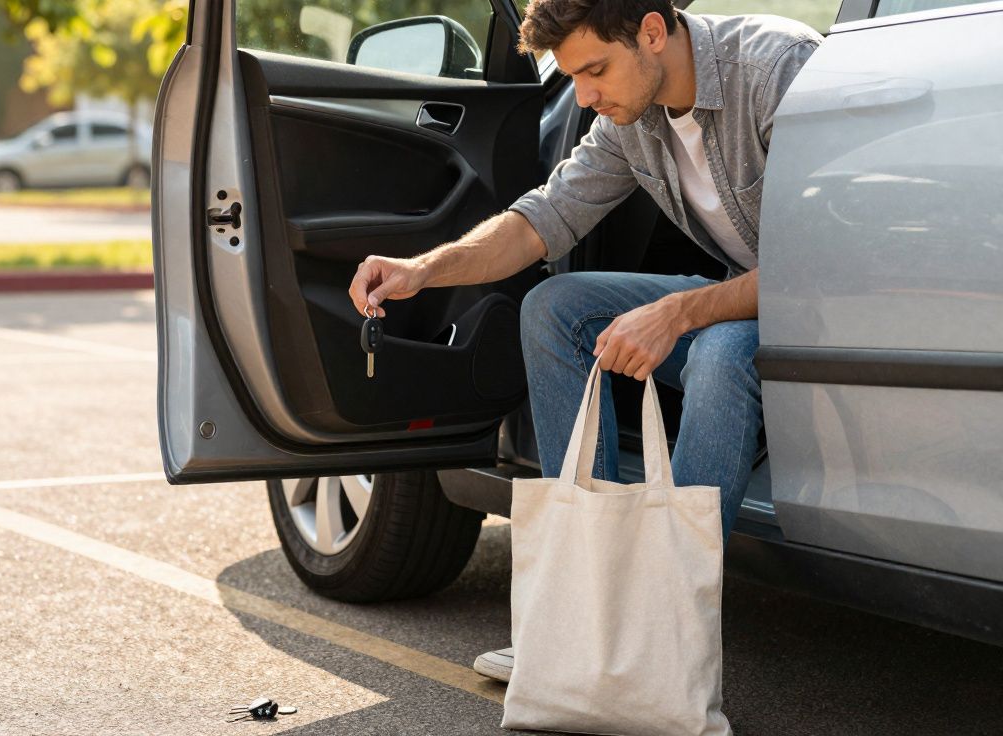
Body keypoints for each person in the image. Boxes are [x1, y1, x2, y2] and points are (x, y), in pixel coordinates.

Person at [345, 0, 821, 683]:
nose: (586, 97)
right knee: (554, 307)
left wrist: (679, 313)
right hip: (745, 296)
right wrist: (424, 270)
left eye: (595, 70)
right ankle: (580, 612)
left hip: (821, 309)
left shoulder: (776, 68)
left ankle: (664, 625)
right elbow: (542, 219)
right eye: (573, 78)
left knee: (718, 348)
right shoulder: (629, 117)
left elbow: (817, 267)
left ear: (653, 32)